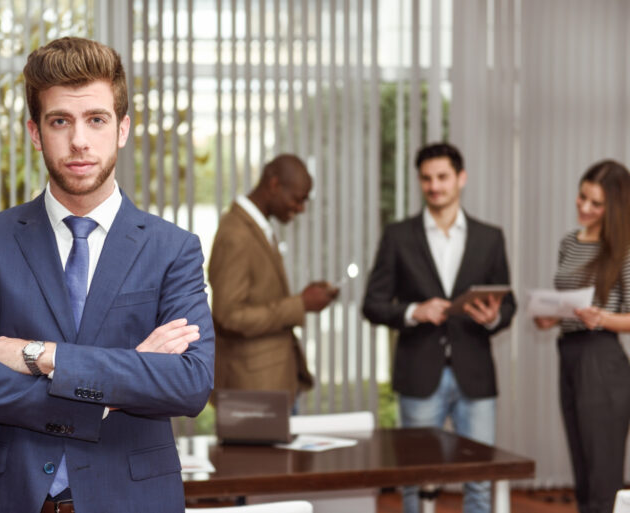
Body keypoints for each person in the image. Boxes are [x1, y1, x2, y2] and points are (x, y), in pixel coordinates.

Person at [0, 37, 214, 513]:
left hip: (131, 500)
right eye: (60, 121)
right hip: (7, 499)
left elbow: (189, 383)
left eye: (96, 120)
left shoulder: (173, 249)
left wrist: (42, 355)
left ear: (123, 128)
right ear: (35, 132)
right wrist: (108, 389)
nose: (79, 140)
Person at [362, 142, 516, 513]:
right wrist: (415, 311)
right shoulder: (398, 236)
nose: (434, 186)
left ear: (461, 179)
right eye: (427, 179)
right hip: (419, 374)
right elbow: (373, 304)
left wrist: (492, 316)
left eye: (443, 177)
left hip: (475, 375)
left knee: (479, 480)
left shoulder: (489, 237)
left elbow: (507, 305)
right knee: (415, 478)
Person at [534, 160, 630, 513]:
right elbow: (568, 304)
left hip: (602, 361)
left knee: (603, 474)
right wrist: (551, 319)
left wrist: (602, 318)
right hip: (570, 354)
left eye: (596, 203)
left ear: (615, 207)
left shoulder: (624, 249)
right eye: (581, 197)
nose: (584, 207)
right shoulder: (569, 242)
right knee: (583, 469)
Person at [208, 154, 338, 406]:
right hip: (253, 390)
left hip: (273, 382)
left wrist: (305, 298)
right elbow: (229, 316)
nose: (300, 208)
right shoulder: (236, 234)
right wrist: (300, 304)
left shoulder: (257, 227)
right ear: (275, 185)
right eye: (298, 199)